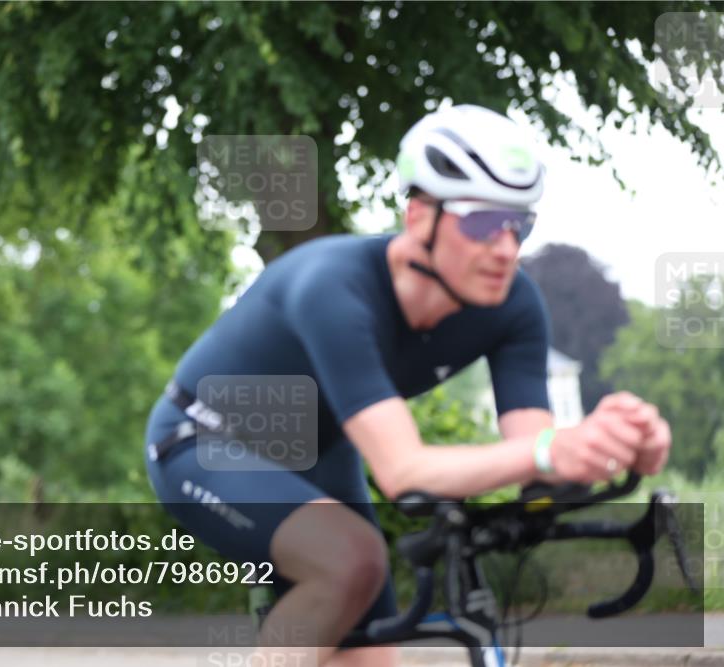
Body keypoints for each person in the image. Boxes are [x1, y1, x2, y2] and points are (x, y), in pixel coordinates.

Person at [144, 104, 672, 667]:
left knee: (373, 657)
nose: (504, 248)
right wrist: (548, 449)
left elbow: (535, 454)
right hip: (202, 444)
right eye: (480, 222)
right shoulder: (335, 287)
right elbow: (403, 472)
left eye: (520, 225)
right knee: (353, 559)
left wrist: (613, 444)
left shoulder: (513, 304)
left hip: (320, 453)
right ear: (419, 215)